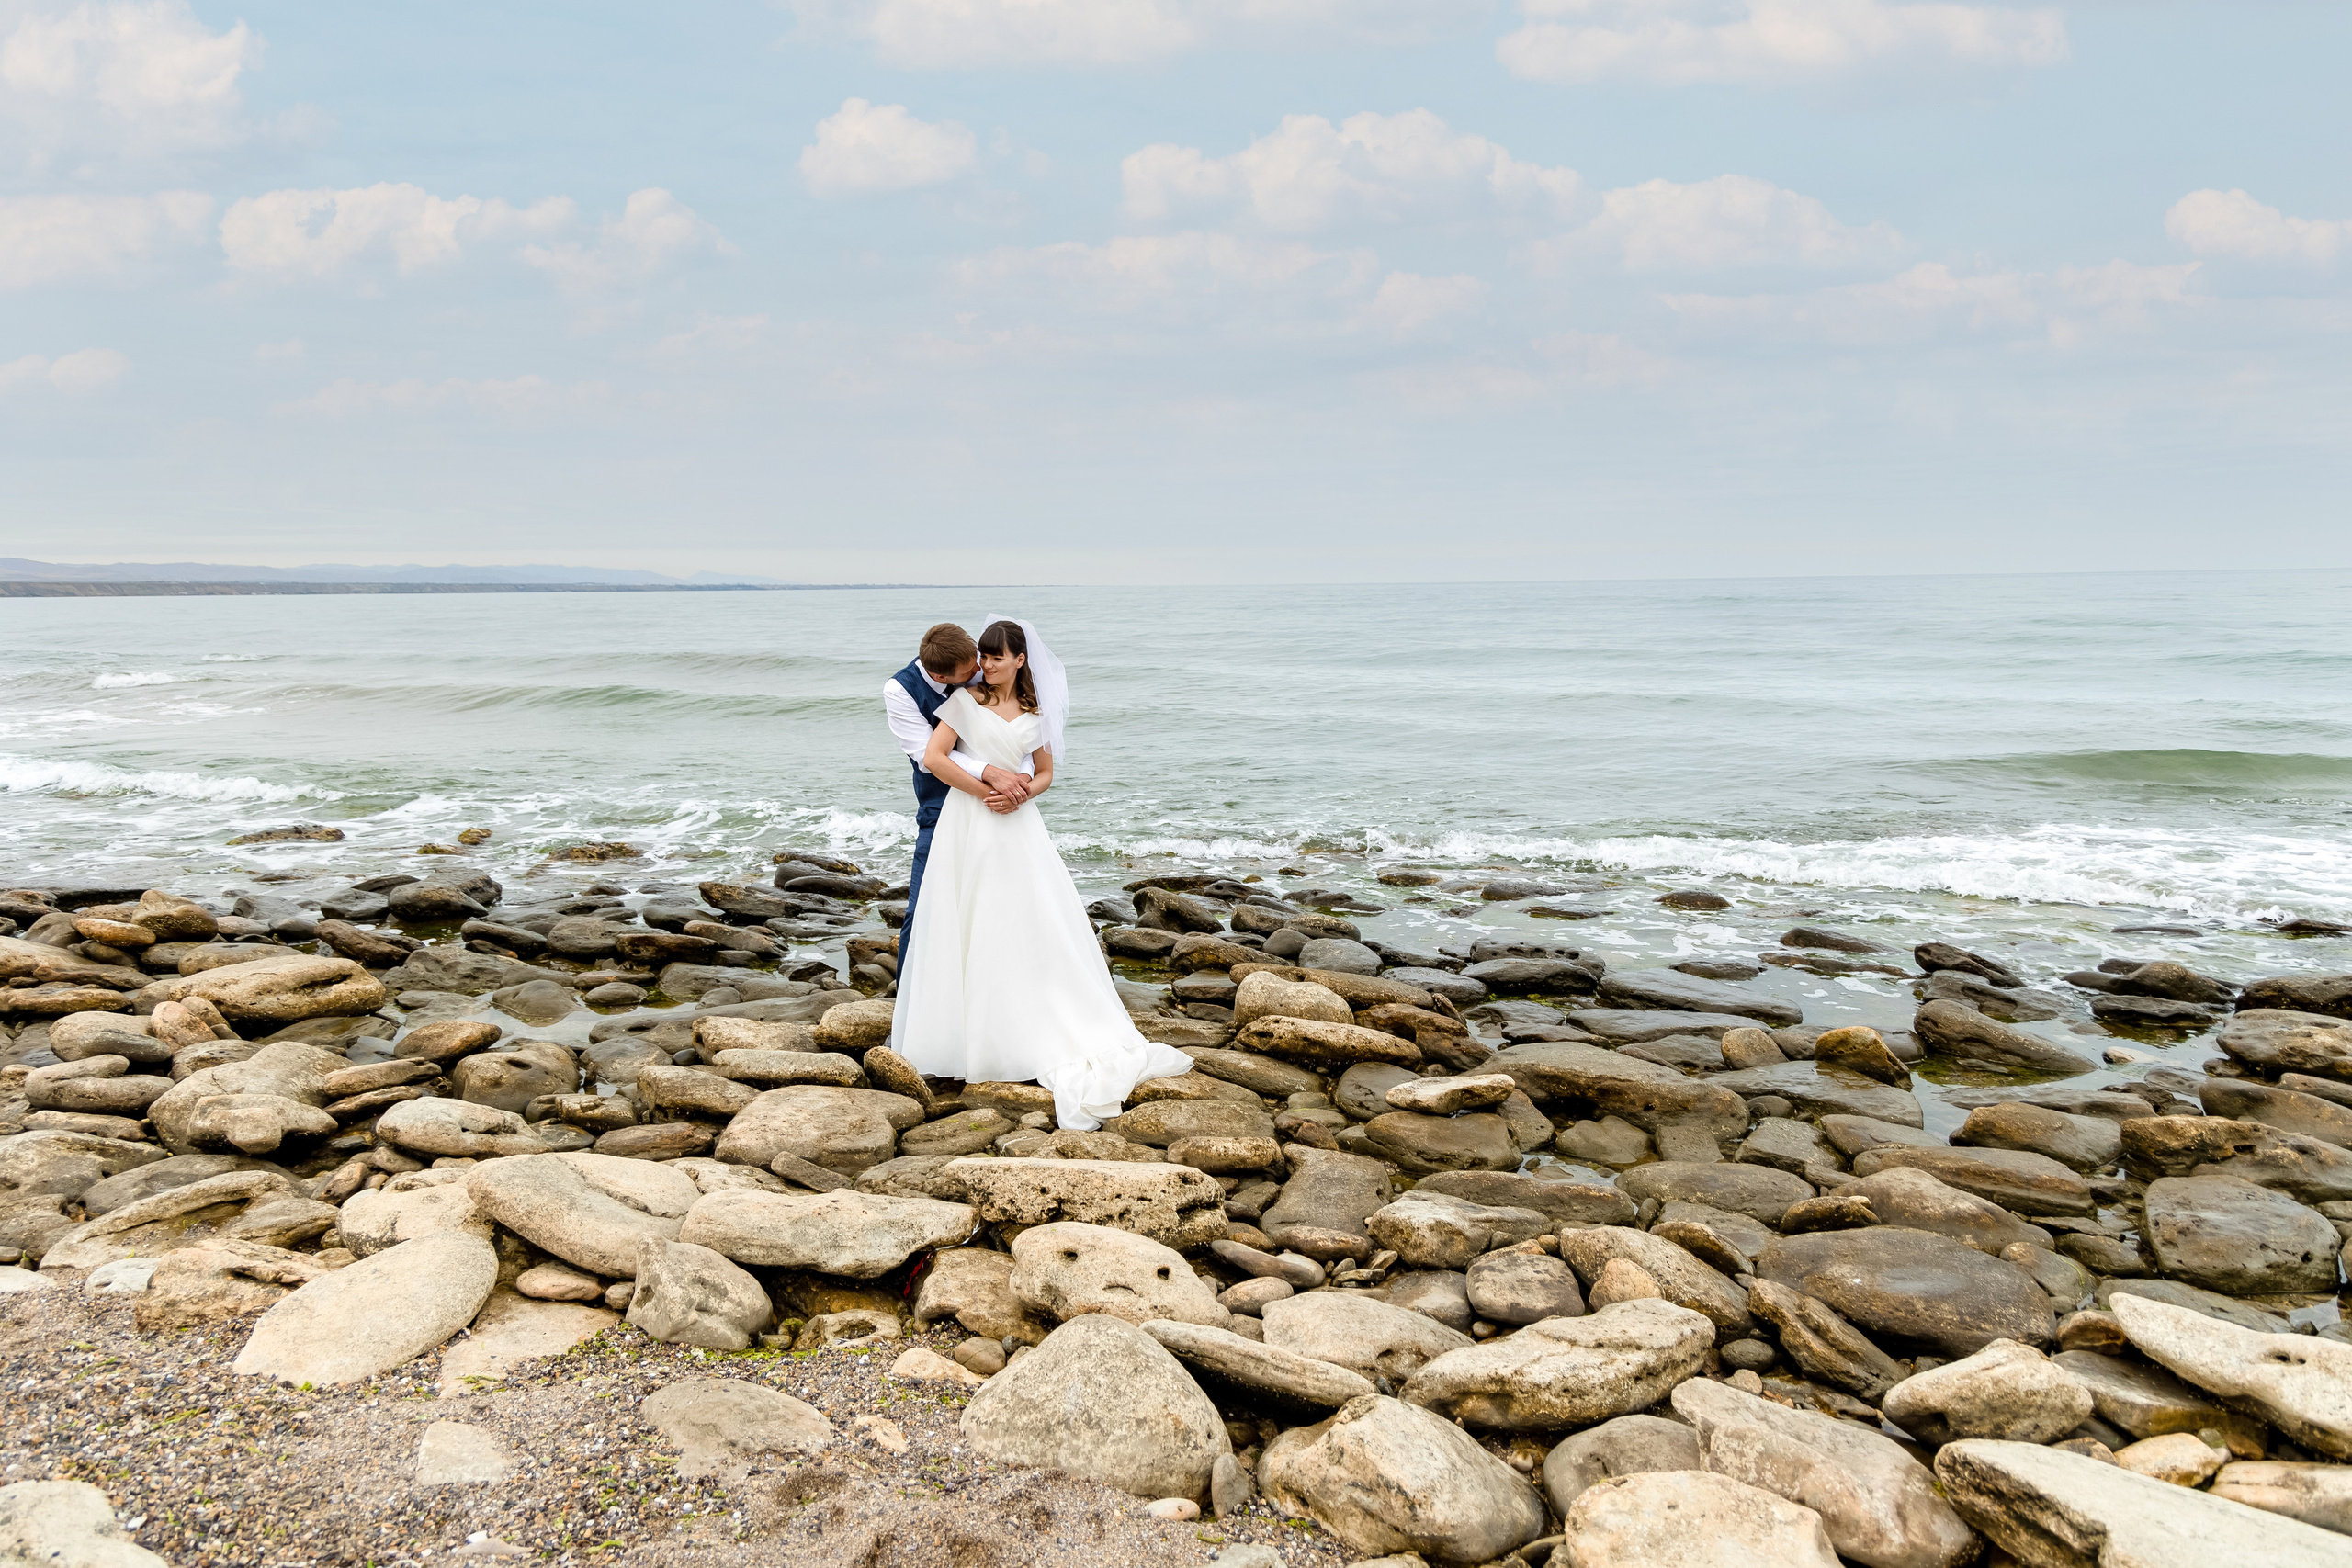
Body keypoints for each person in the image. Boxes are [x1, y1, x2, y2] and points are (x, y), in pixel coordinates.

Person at [889, 617, 1193, 1129]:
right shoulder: (965, 703)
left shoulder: (1037, 710)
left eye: (995, 658)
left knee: (1028, 919)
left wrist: (1021, 792)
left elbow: (1046, 772)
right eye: (982, 658)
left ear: (1020, 660)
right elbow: (934, 759)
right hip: (968, 820)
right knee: (965, 917)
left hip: (1017, 825)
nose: (985, 667)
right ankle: (962, 1033)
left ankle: (1029, 1019)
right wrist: (985, 788)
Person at [880, 623, 1035, 986]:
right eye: (972, 669)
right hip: (940, 805)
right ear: (940, 675)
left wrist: (1019, 780)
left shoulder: (976, 669)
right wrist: (990, 776)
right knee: (924, 907)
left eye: (982, 660)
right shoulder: (901, 690)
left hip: (1001, 807)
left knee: (1000, 903)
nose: (982, 669)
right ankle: (909, 1003)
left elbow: (1020, 733)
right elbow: (928, 756)